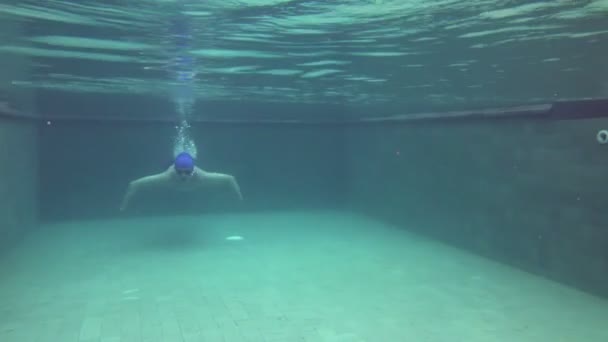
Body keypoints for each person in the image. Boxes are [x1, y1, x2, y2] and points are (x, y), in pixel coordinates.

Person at [120, 152, 243, 211]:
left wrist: (239, 199)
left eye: (187, 172)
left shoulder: (203, 176)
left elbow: (230, 179)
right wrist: (123, 206)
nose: (183, 176)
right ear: (175, 170)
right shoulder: (165, 177)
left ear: (193, 170)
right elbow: (134, 184)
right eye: (180, 172)